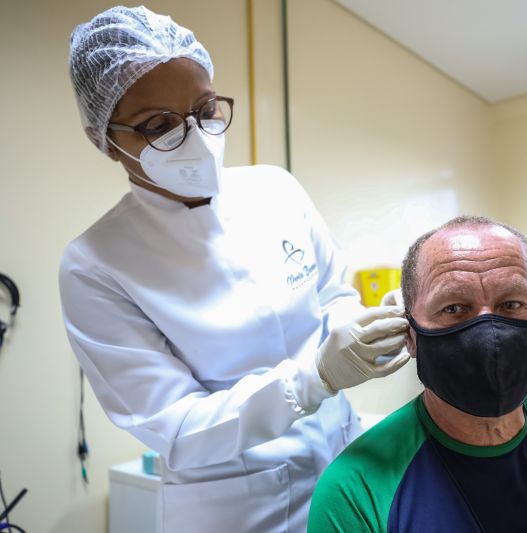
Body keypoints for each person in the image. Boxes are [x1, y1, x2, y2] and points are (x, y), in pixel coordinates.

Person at [59, 6, 409, 532]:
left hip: (345, 471)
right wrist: (315, 378)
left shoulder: (276, 188)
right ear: (105, 140)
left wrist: (361, 328)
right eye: (158, 126)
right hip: (240, 512)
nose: (196, 138)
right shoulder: (95, 264)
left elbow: (332, 295)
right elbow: (178, 427)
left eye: (205, 110)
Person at [308, 216, 527, 532]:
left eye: (511, 304)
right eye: (454, 308)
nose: (489, 331)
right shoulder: (355, 490)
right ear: (410, 334)